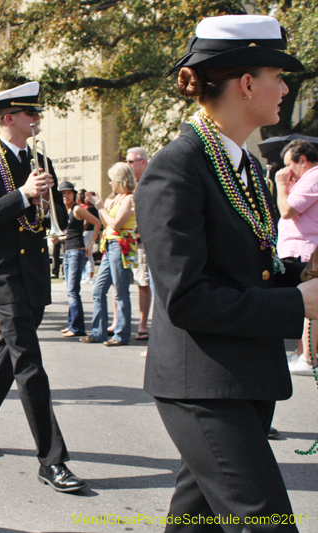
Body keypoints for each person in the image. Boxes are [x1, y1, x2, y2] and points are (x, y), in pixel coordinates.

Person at [134, 15, 314, 530]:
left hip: (241, 377)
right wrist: (298, 303)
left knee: (194, 522)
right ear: (247, 83)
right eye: (278, 76)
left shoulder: (245, 167)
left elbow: (248, 269)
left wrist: (300, 273)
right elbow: (187, 297)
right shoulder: (177, 166)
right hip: (203, 386)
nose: (285, 89)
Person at [0, 81, 85, 493]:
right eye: (30, 113)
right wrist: (24, 195)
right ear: (8, 117)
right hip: (3, 273)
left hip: (33, 272)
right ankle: (52, 459)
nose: (36, 119)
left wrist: (49, 204)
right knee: (29, 362)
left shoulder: (39, 159)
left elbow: (49, 215)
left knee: (9, 357)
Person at [274, 138, 318, 376]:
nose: (286, 171)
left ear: (302, 159)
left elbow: (287, 210)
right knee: (305, 303)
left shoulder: (314, 176)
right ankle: (303, 353)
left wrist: (281, 186)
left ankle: (308, 358)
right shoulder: (308, 179)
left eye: (288, 165)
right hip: (302, 251)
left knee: (309, 302)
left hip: (306, 252)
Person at [82, 163, 137, 346]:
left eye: (111, 179)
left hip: (121, 246)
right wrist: (100, 206)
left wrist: (100, 207)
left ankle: (121, 334)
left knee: (120, 292)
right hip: (110, 245)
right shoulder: (116, 198)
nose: (110, 182)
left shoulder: (129, 198)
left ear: (120, 179)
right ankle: (98, 332)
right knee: (98, 290)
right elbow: (107, 223)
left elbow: (116, 224)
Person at [56, 180, 101, 338]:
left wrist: (91, 244)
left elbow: (97, 223)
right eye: (63, 193)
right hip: (68, 252)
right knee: (70, 291)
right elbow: (70, 234)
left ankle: (77, 328)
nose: (65, 196)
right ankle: (72, 324)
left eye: (68, 193)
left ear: (74, 194)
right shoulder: (65, 211)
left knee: (73, 291)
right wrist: (59, 239)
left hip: (76, 252)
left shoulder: (77, 209)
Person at [126, 147, 152, 341]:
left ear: (143, 162)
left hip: (145, 241)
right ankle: (124, 322)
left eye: (130, 162)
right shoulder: (131, 186)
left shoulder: (150, 182)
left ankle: (144, 325)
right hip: (131, 241)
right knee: (131, 282)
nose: (127, 165)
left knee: (144, 282)